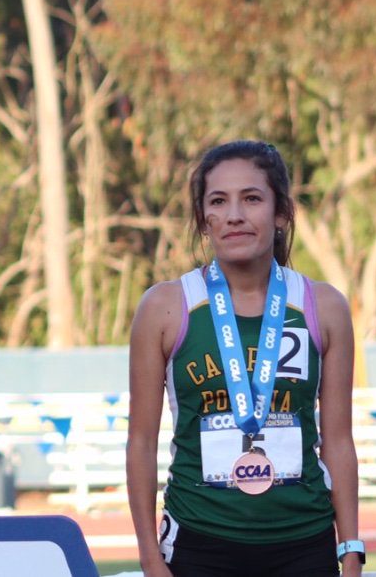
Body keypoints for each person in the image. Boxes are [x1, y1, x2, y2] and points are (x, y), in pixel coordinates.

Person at [125, 141, 363, 576]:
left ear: (281, 213)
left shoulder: (324, 306)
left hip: (304, 543)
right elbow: (140, 441)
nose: (234, 215)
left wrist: (350, 549)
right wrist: (149, 558)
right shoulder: (164, 307)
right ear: (203, 219)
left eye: (252, 198)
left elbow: (339, 441)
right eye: (218, 201)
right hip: (199, 542)